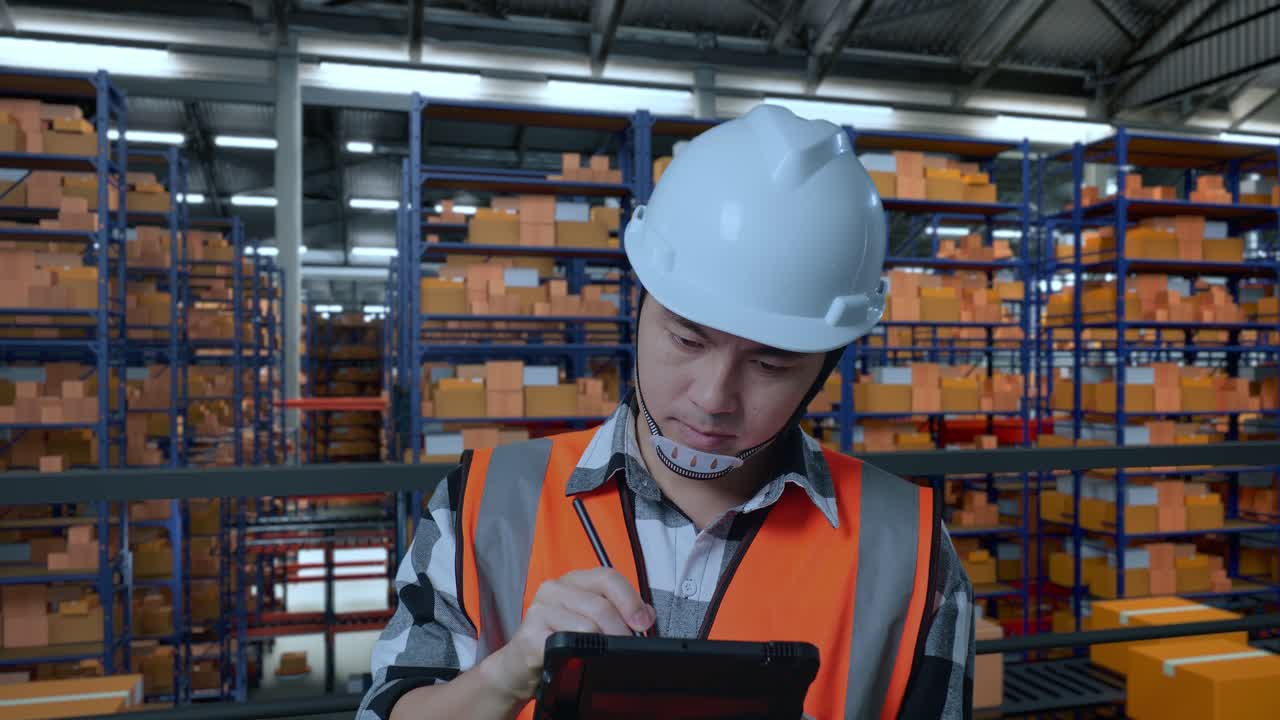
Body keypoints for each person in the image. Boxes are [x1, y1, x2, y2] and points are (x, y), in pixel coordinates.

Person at [357, 104, 974, 720]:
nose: (712, 397)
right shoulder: (484, 505)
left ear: (825, 367)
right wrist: (505, 675)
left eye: (771, 364)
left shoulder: (911, 555)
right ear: (642, 306)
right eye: (687, 340)